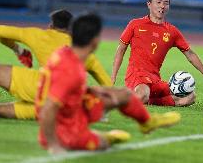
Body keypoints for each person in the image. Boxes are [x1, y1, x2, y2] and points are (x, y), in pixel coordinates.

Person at [36, 13, 181, 153]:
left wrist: (94, 92)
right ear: (95, 40)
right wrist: (53, 145)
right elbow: (48, 108)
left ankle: (147, 123)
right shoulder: (71, 69)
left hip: (73, 109)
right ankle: (104, 138)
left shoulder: (65, 53)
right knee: (103, 143)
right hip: (64, 133)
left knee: (123, 94)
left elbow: (62, 89)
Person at [0, 9, 112, 119]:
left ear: (51, 25)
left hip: (36, 86)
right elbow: (108, 84)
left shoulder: (39, 35)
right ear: (72, 30)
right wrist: (101, 110)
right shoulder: (85, 53)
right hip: (54, 108)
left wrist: (18, 50)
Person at [111, 0, 203, 107]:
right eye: (158, 2)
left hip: (155, 79)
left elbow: (190, 54)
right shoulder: (135, 24)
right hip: (137, 75)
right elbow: (121, 49)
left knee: (190, 97)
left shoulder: (172, 31)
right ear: (149, 4)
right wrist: (113, 76)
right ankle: (128, 98)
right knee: (143, 93)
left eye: (166, 3)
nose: (162, 6)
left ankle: (148, 100)